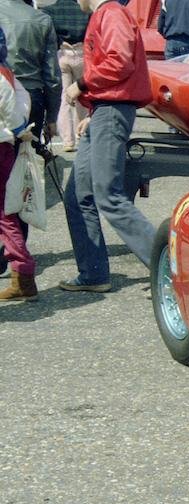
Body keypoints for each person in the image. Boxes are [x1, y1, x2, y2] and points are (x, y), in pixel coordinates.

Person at [58, 0, 155, 293]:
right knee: (77, 195)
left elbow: (119, 62)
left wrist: (81, 85)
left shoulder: (111, 14)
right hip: (105, 109)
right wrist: (95, 112)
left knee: (108, 196)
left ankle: (172, 267)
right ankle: (93, 274)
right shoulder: (108, 14)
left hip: (111, 109)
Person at [0, 0, 61, 275]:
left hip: (6, 91)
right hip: (29, 99)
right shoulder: (41, 19)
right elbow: (52, 74)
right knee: (19, 178)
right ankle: (17, 249)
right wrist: (52, 115)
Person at [0, 26, 36, 300]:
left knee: (4, 214)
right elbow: (19, 108)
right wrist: (18, 129)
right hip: (4, 145)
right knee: (5, 214)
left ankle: (23, 274)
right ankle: (23, 275)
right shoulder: (6, 74)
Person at [41, 0, 89, 151]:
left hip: (62, 54)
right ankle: (81, 135)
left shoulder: (49, 10)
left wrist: (60, 41)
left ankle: (68, 141)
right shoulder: (86, 11)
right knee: (82, 95)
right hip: (82, 53)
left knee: (64, 98)